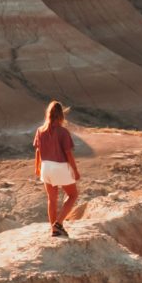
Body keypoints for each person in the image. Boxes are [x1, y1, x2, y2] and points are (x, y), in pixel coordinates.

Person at [33, 100, 81, 238]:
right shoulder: (63, 132)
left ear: (48, 114)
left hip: (45, 167)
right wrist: (75, 171)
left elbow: (37, 151)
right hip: (60, 166)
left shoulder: (40, 130)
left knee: (52, 199)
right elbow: (68, 153)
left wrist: (37, 167)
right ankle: (58, 224)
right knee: (73, 195)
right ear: (61, 115)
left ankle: (54, 230)